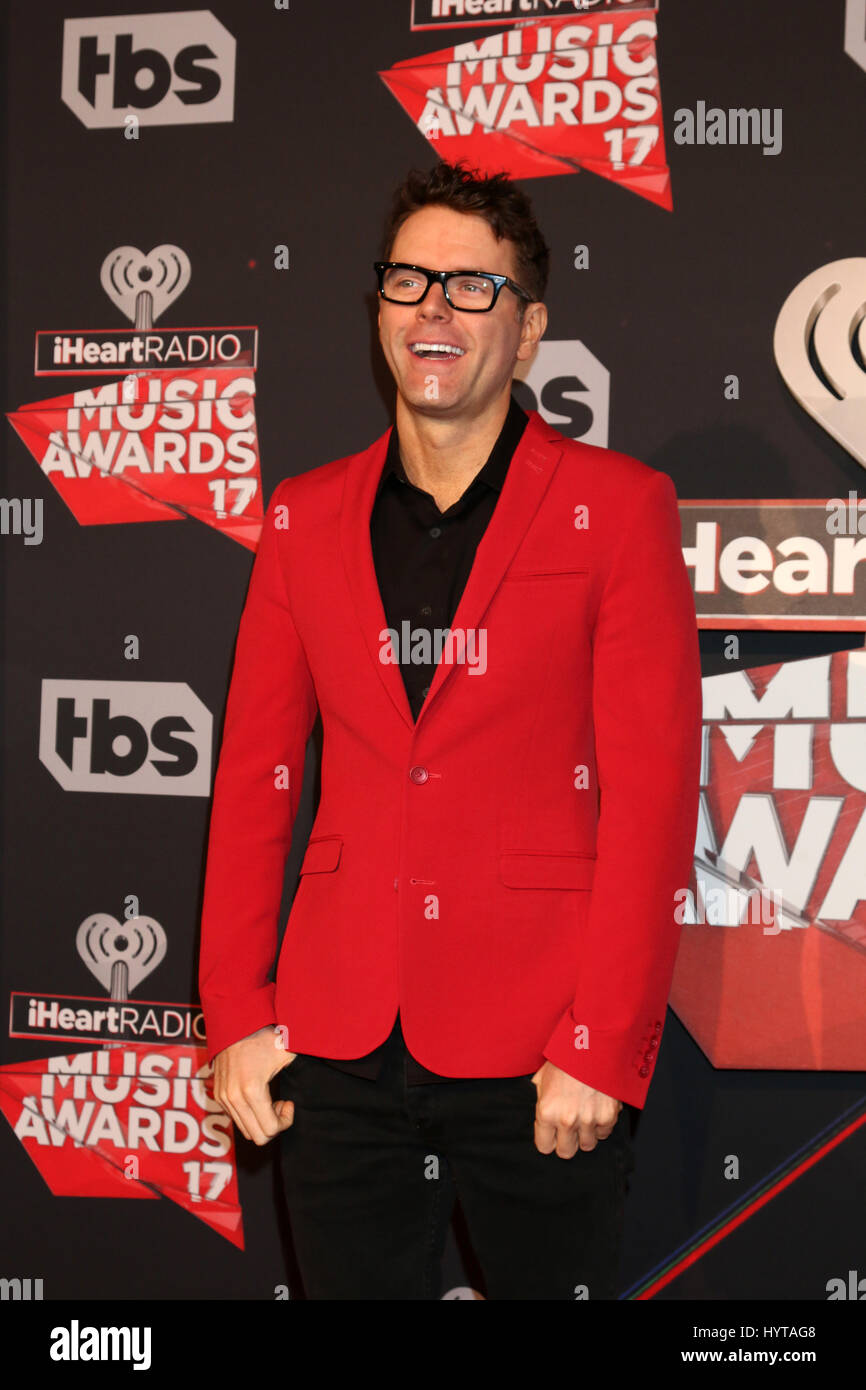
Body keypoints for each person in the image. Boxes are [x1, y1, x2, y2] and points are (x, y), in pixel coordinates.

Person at [198, 159, 702, 1300]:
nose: (434, 307)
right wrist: (234, 1010)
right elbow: (255, 780)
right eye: (409, 279)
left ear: (527, 334)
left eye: (473, 288)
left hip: (540, 1056)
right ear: (378, 311)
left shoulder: (615, 507)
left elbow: (653, 794)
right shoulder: (301, 516)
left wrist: (601, 1043)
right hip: (333, 1049)